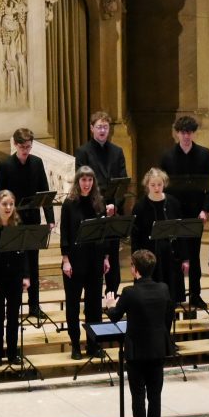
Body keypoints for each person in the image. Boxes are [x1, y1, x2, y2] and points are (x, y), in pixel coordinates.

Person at [104, 250, 174, 417]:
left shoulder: (129, 292)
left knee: (138, 396)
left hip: (136, 351)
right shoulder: (163, 289)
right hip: (157, 349)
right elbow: (167, 316)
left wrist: (110, 305)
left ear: (135, 269)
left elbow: (115, 316)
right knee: (155, 396)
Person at [0, 128, 56, 319]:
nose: (25, 150)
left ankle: (34, 306)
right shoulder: (5, 165)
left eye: (29, 147)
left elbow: (44, 192)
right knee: (14, 266)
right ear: (15, 144)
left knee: (33, 265)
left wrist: (50, 219)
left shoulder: (36, 163)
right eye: (22, 147)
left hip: (32, 221)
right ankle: (12, 307)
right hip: (12, 222)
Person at [159, 115, 209, 308]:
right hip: (174, 212)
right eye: (183, 132)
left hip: (195, 212)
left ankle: (195, 294)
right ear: (177, 133)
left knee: (194, 255)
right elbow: (163, 186)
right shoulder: (167, 156)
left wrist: (205, 209)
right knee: (175, 254)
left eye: (189, 132)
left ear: (193, 133)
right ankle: (176, 295)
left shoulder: (204, 154)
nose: (186, 136)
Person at [75, 111, 126, 295]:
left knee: (113, 252)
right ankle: (93, 293)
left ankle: (112, 292)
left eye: (105, 127)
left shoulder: (117, 151)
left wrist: (115, 205)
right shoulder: (83, 152)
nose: (102, 130)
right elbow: (82, 182)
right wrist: (100, 206)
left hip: (112, 209)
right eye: (99, 127)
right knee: (93, 252)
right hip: (92, 208)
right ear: (92, 128)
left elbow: (122, 183)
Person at [61, 166, 110, 360]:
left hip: (95, 260)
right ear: (78, 181)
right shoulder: (69, 204)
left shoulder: (98, 202)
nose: (87, 184)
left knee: (94, 306)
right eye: (83, 180)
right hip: (74, 261)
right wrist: (65, 260)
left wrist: (106, 257)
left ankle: (93, 344)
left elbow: (104, 232)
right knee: (73, 306)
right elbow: (65, 233)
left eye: (90, 180)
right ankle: (75, 345)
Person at [0, 190, 30, 366]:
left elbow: (24, 252)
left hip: (14, 277)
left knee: (13, 317)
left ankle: (12, 354)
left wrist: (26, 275)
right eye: (4, 204)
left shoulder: (17, 224)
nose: (8, 207)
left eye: (11, 204)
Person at [131, 168, 188, 303]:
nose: (156, 188)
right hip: (148, 260)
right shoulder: (139, 206)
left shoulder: (173, 202)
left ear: (164, 184)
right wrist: (135, 262)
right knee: (150, 299)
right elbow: (135, 237)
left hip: (171, 256)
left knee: (171, 298)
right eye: (153, 185)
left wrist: (185, 258)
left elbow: (181, 233)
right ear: (147, 185)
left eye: (159, 184)